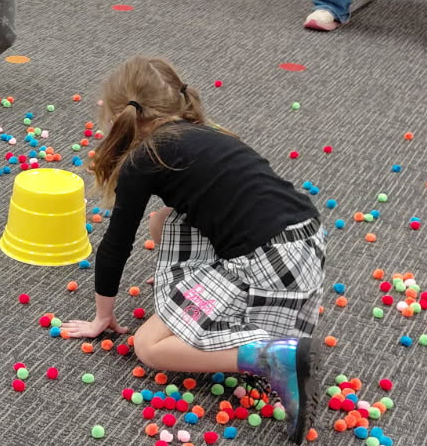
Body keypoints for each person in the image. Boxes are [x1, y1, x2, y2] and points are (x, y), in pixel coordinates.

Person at [63, 57, 325, 445]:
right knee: (164, 220)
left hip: (270, 261)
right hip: (307, 243)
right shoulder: (207, 132)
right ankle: (232, 309)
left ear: (121, 114)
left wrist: (103, 316)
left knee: (148, 346)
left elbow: (117, 243)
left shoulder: (144, 158)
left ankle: (272, 357)